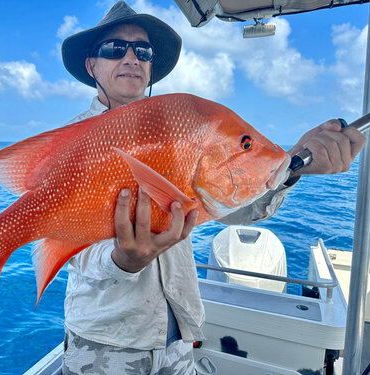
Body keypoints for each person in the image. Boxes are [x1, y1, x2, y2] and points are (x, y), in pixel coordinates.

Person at [59, 1, 367, 374]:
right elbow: (66, 242)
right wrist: (122, 261)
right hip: (104, 343)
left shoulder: (180, 134)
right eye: (114, 48)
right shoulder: (70, 142)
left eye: (142, 50)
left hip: (177, 338)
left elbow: (231, 205)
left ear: (150, 66)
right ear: (92, 66)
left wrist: (291, 166)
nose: (130, 57)